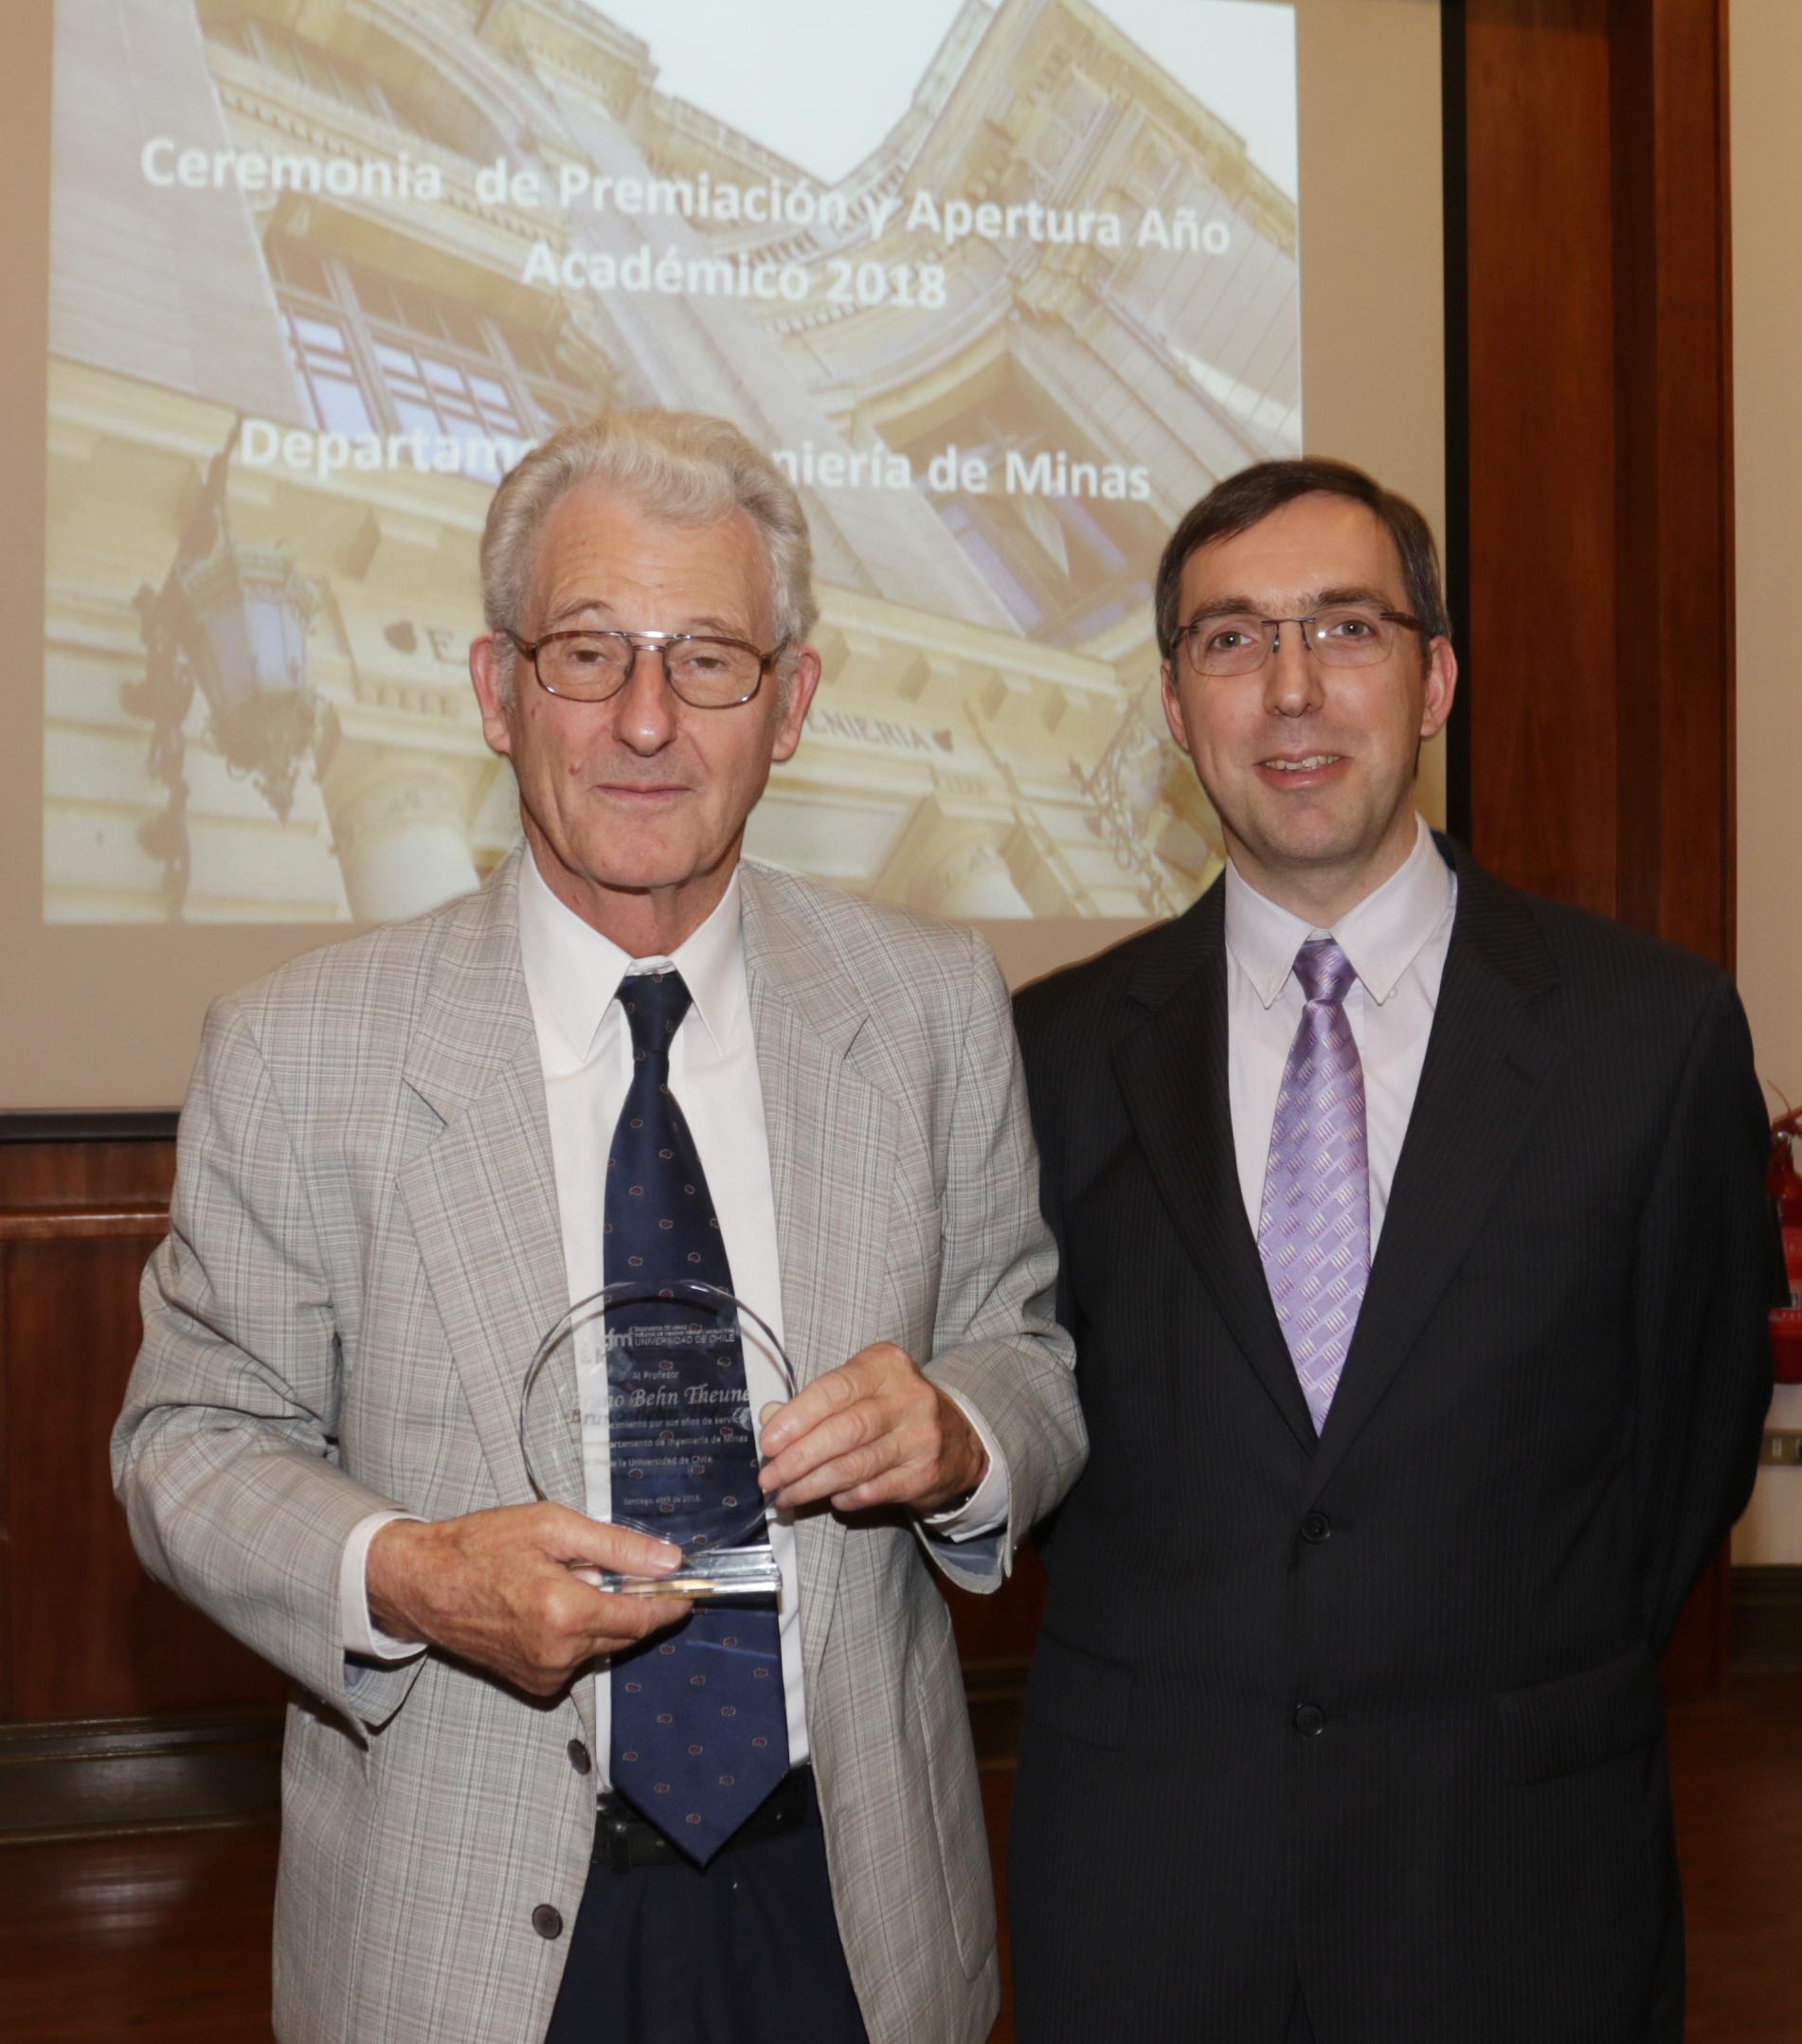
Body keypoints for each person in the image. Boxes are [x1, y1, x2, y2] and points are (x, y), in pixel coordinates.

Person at [113, 409, 1084, 2044]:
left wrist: (961, 1430)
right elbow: (187, 1445)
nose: (645, 719)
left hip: (847, 1905)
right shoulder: (300, 1046)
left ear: (791, 703)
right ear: (498, 692)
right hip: (464, 1922)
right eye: (588, 652)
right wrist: (410, 1575)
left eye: (706, 659)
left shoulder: (926, 1009)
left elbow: (1029, 1352)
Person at [1006, 457, 1775, 2044]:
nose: (1289, 689)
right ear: (1170, 704)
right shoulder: (1052, 1052)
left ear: (1433, 677)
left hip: (1511, 1885)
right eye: (1229, 640)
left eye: (1343, 628)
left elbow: (1684, 1454)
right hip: (1150, 1904)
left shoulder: (1650, 1036)